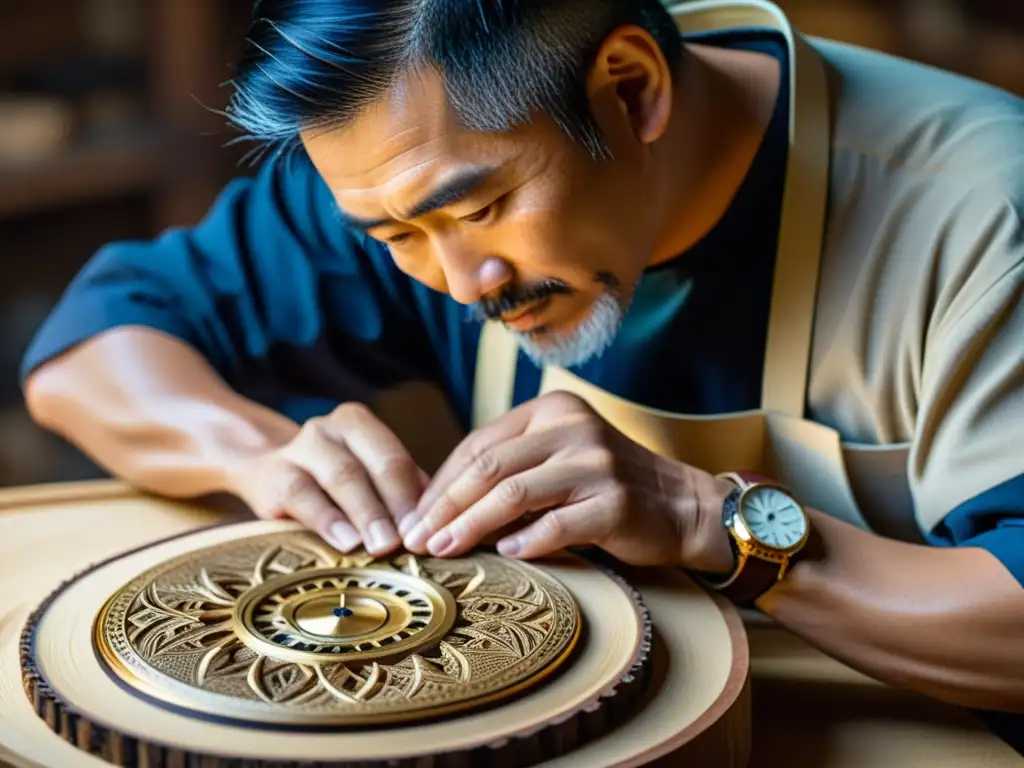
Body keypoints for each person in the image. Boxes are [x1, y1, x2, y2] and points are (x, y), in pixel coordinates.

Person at [18, 0, 1024, 739]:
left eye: (483, 209)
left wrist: (698, 520)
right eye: (394, 234)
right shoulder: (406, 162)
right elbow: (89, 347)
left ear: (631, 90)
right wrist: (264, 454)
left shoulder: (985, 211)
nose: (459, 281)